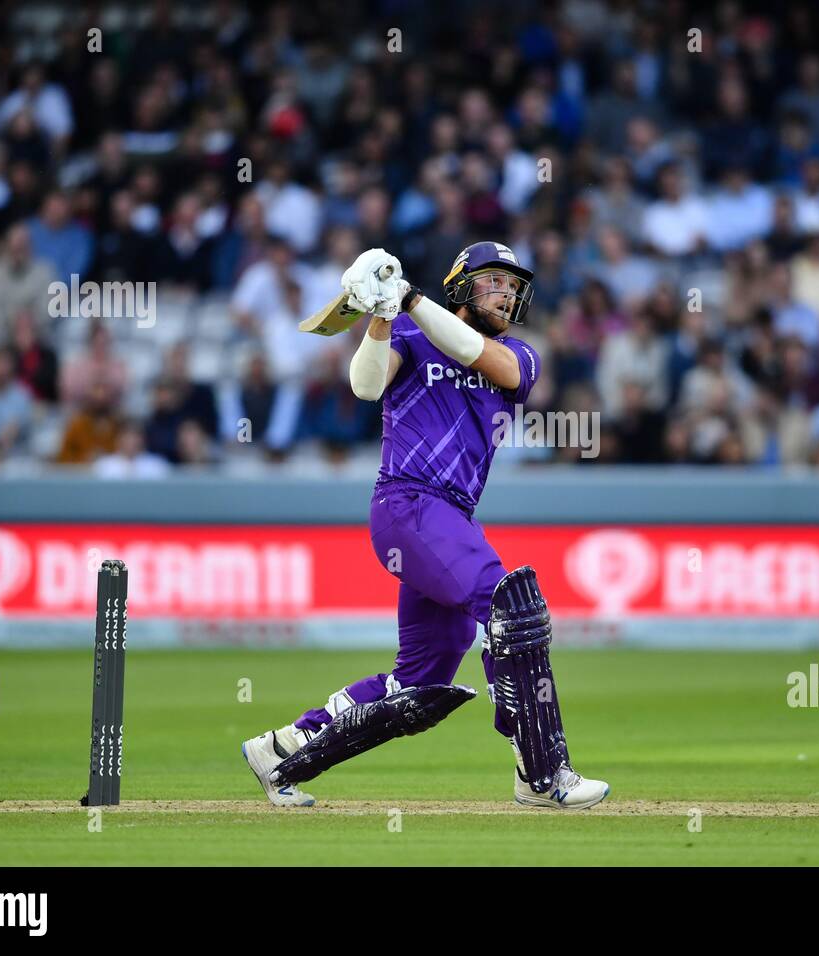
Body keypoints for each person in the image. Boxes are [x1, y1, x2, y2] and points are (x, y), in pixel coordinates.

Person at [241, 242, 609, 810]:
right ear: (461, 284)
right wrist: (380, 316)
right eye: (493, 282)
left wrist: (407, 297)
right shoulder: (408, 337)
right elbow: (364, 386)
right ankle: (543, 774)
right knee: (512, 607)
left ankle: (283, 749)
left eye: (512, 286)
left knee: (417, 682)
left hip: (446, 518)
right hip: (408, 505)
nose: (507, 294)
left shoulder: (518, 356)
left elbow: (470, 350)